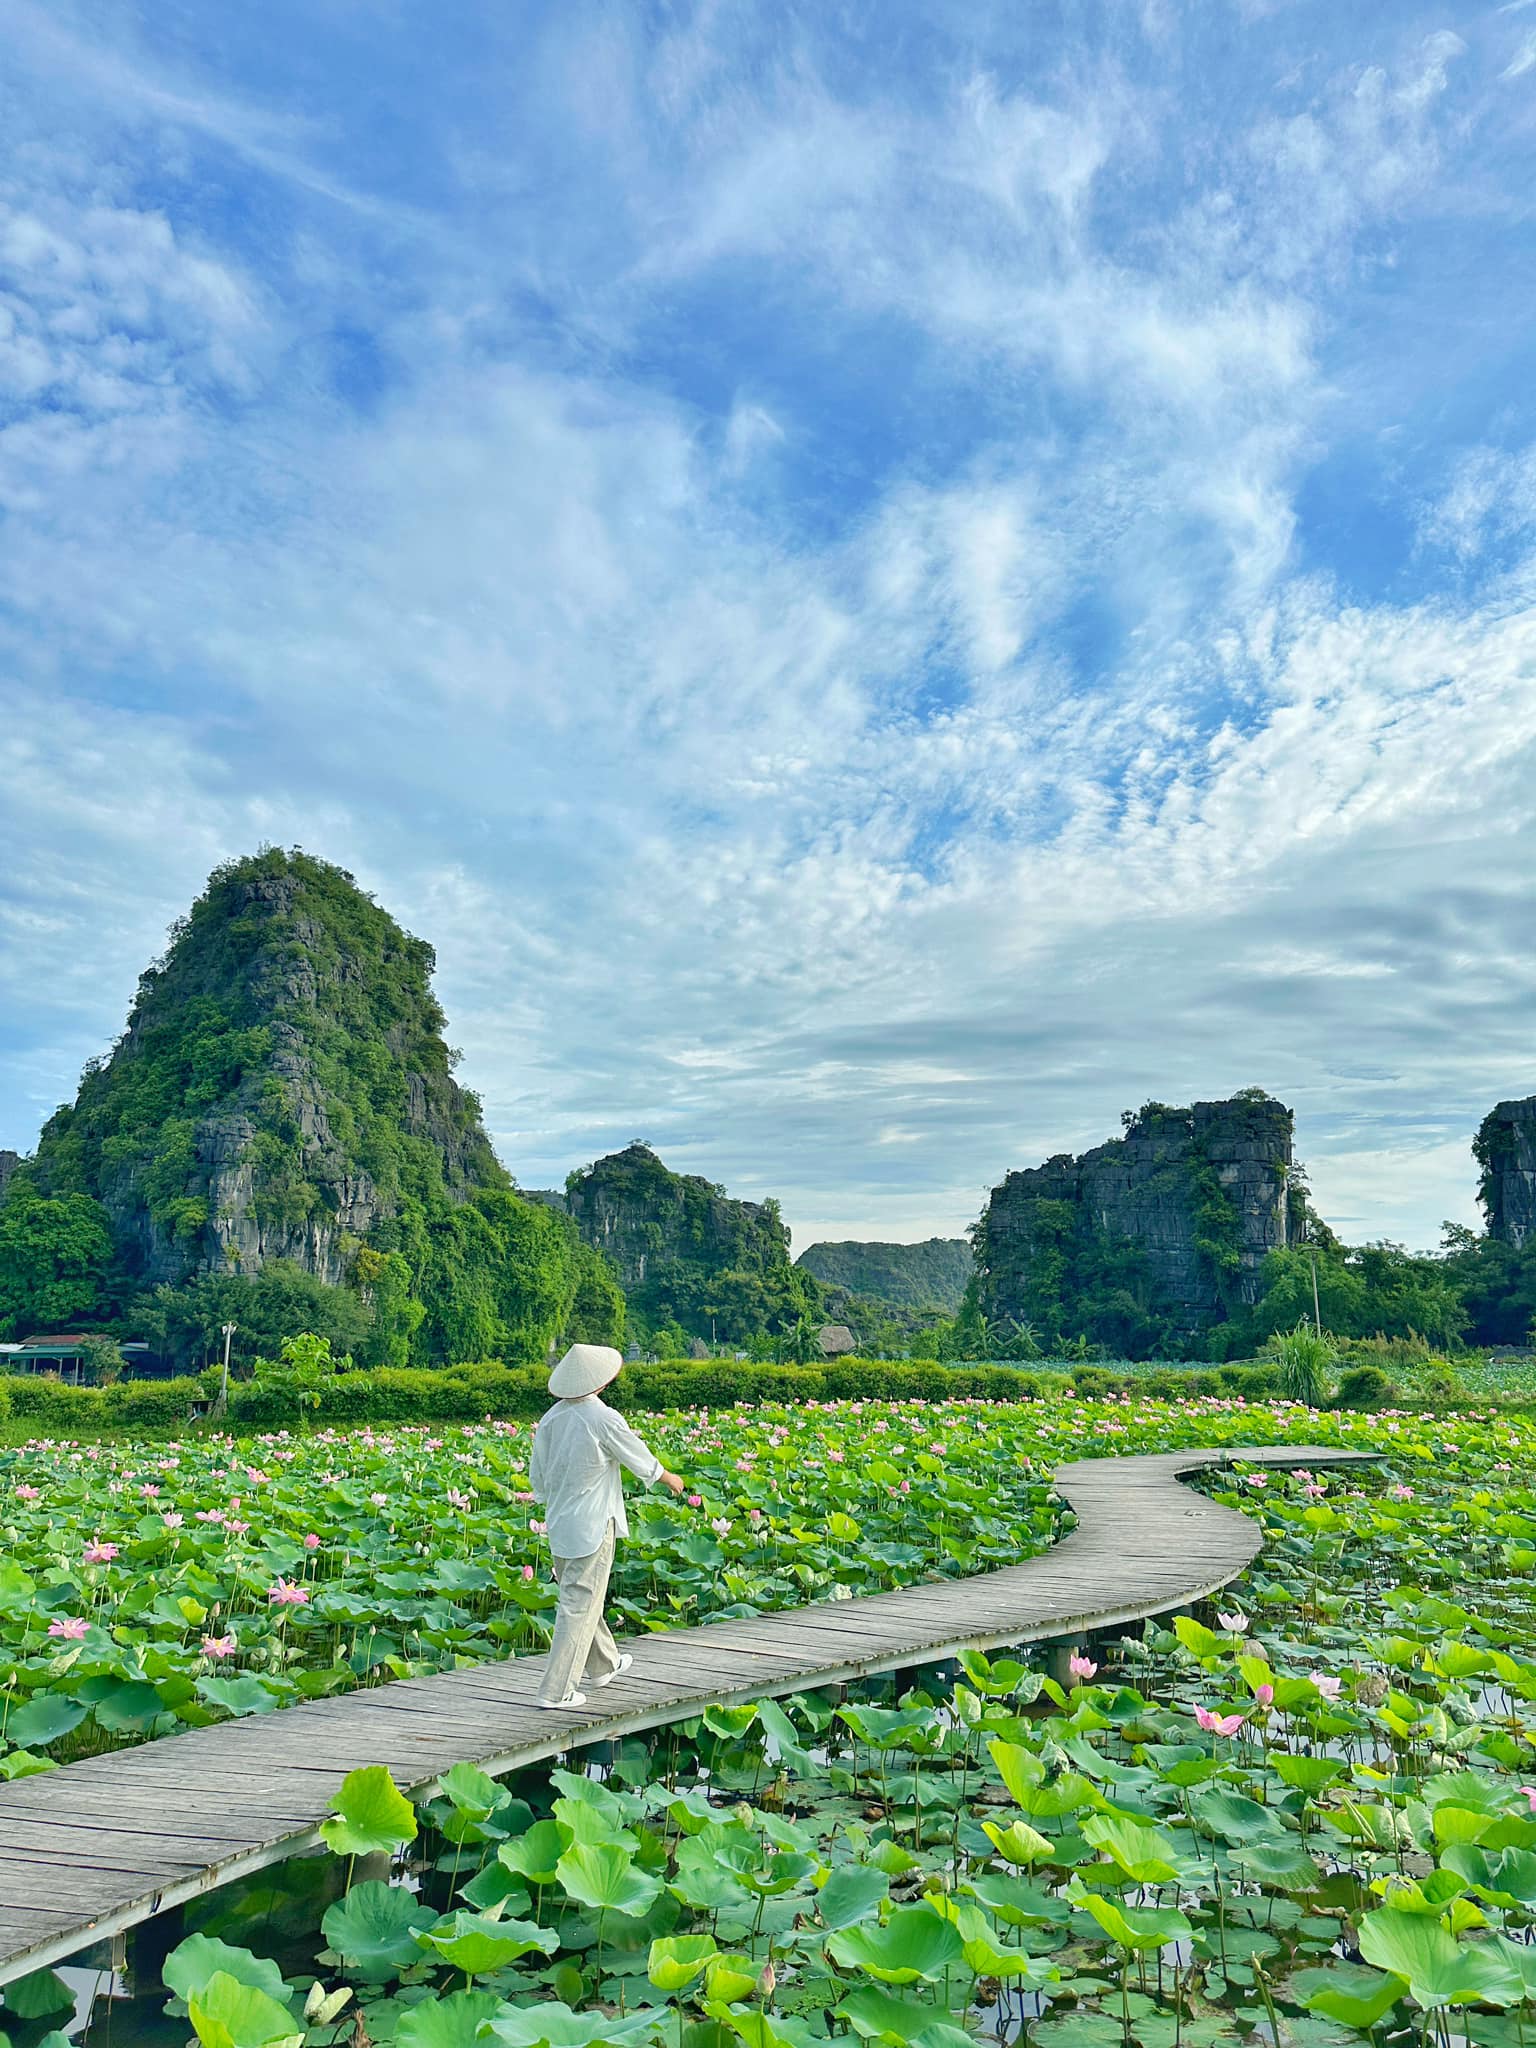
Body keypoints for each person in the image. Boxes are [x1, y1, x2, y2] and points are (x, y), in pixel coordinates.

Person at [527, 1342, 686, 1708]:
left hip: (560, 1524)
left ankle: (604, 1665)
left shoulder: (551, 1418)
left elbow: (538, 1478)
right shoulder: (603, 1417)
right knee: (579, 1603)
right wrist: (669, 1478)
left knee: (582, 1596)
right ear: (600, 1381)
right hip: (593, 1525)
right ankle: (557, 1691)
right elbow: (637, 1456)